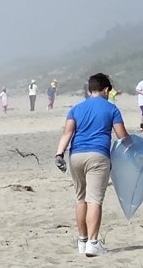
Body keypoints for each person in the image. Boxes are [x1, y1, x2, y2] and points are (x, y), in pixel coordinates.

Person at [54, 72, 131, 257]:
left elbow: (67, 133)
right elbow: (122, 137)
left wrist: (59, 154)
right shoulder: (111, 109)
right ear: (105, 90)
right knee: (94, 200)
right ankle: (93, 243)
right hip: (98, 157)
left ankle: (82, 241)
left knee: (81, 199)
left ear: (89, 90)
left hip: (76, 156)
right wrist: (135, 147)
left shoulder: (76, 109)